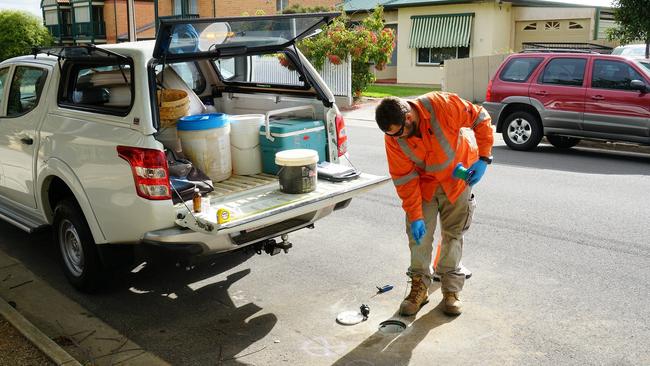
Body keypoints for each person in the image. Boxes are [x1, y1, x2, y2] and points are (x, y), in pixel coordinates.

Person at [375, 92, 493, 316]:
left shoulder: (441, 105)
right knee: (419, 236)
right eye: (391, 135)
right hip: (425, 186)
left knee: (453, 234)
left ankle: (450, 289)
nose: (397, 138)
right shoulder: (393, 137)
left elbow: (480, 116)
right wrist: (415, 215)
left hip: (458, 180)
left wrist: (484, 158)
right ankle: (419, 287)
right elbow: (403, 178)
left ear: (409, 117)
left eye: (399, 133)